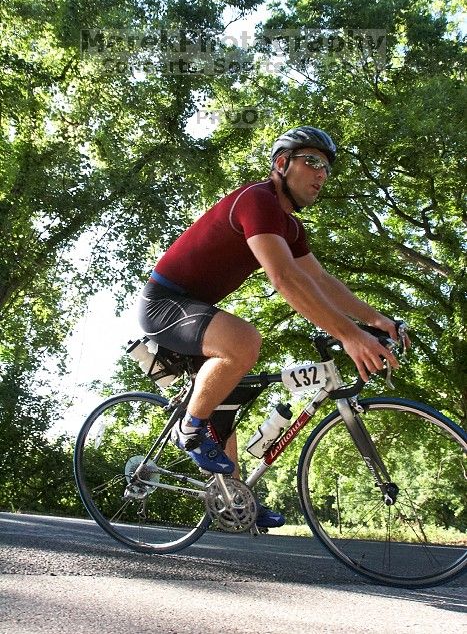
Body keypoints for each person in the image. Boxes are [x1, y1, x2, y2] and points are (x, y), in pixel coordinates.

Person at [138, 126, 403, 528]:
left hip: (196, 308)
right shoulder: (257, 201)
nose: (321, 175)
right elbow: (284, 278)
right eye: (311, 161)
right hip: (164, 303)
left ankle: (234, 500)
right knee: (244, 341)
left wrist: (374, 319)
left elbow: (322, 282)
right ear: (281, 164)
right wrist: (350, 335)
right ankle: (188, 429)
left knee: (226, 405)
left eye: (327, 169)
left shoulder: (291, 227)